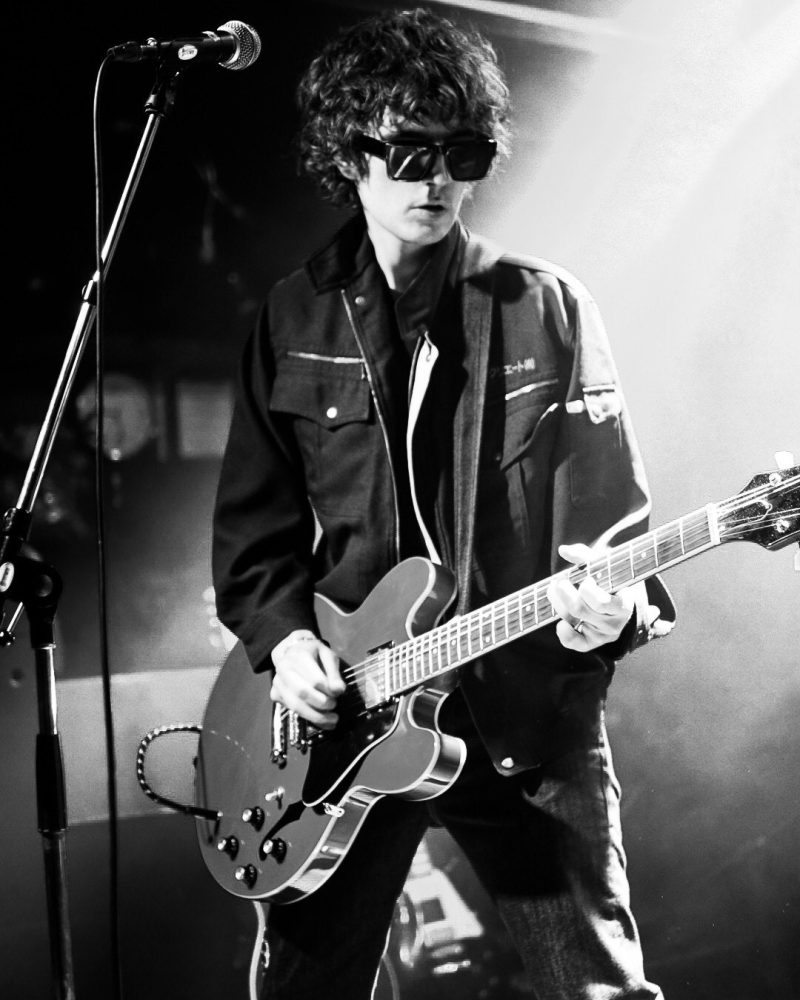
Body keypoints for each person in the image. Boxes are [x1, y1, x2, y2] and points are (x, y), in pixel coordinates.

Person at [212, 7, 675, 999]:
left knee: (596, 987)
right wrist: (286, 645)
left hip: (523, 713)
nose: (437, 181)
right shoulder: (292, 316)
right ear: (350, 154)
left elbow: (612, 527)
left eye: (462, 155)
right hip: (345, 723)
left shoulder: (544, 306)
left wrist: (611, 612)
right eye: (410, 153)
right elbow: (252, 534)